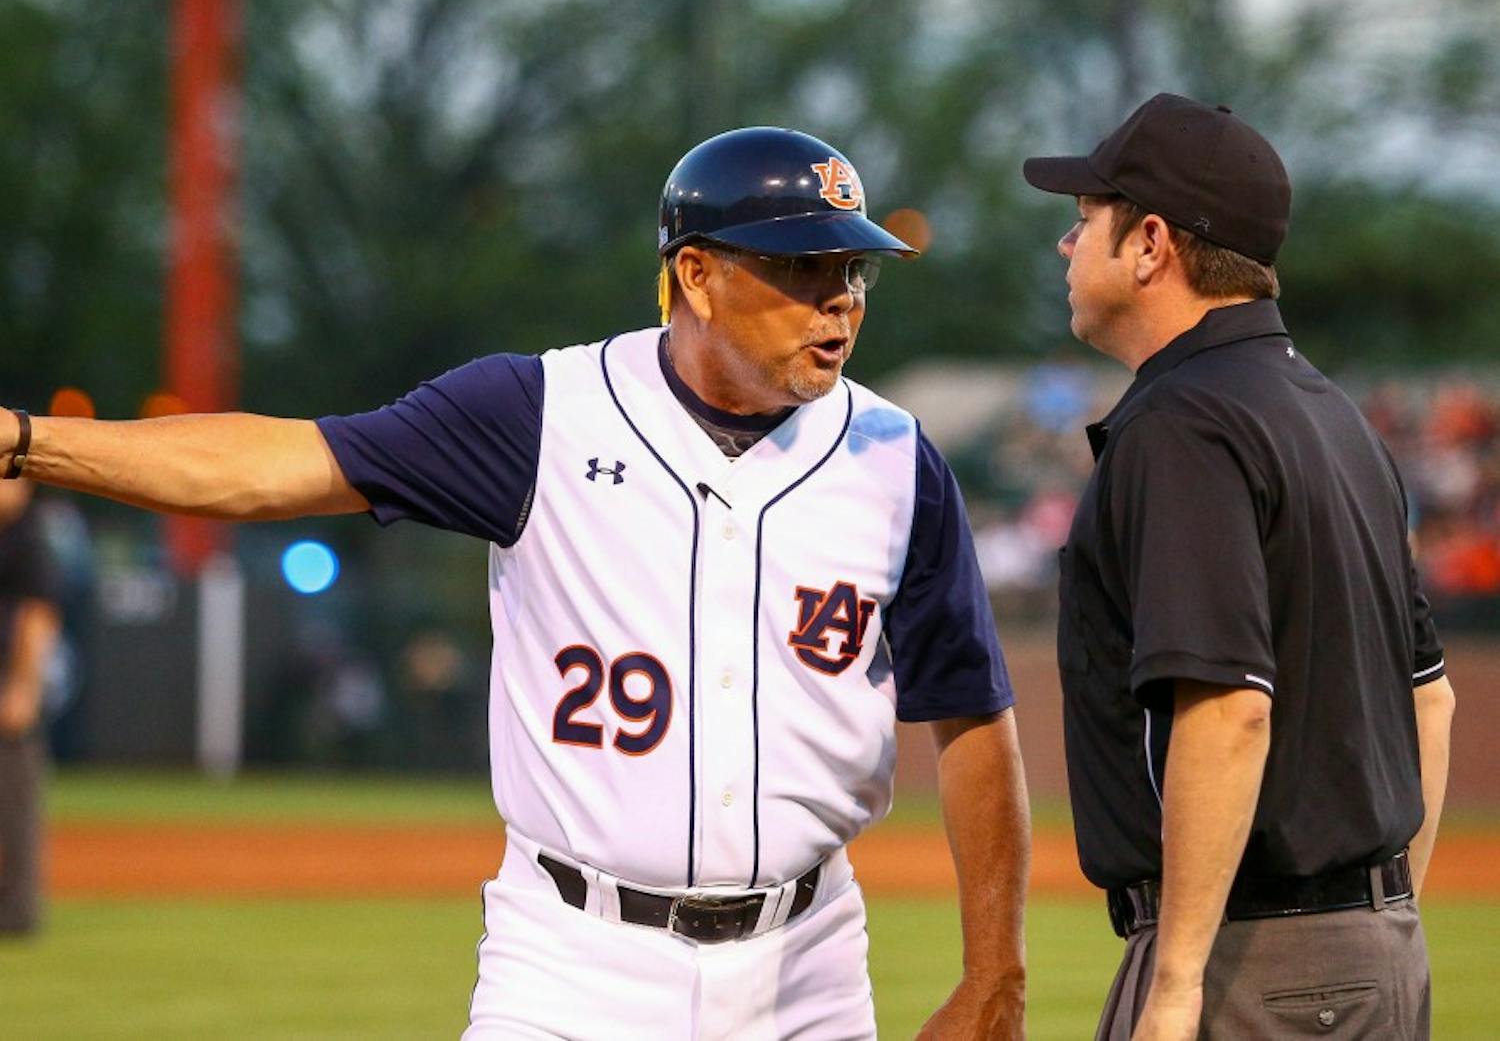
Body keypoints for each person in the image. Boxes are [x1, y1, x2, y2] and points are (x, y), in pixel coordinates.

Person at [1, 126, 1029, 1038]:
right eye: (802, 268)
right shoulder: (540, 414)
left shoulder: (895, 460)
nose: (839, 299)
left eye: (852, 271)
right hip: (574, 962)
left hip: (808, 964)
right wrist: (28, 443)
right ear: (699, 274)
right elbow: (275, 466)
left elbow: (973, 721)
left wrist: (995, 973)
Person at [1022, 94, 1456, 1040]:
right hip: (1377, 951)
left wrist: (1176, 987)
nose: (1066, 244)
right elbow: (1430, 697)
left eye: (1084, 218)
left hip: (1253, 961)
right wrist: (1379, 917)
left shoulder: (1183, 424)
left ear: (1148, 244)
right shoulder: (1336, 416)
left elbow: (1228, 706)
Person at [0, 479, 63, 936]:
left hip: (6, 677)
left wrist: (23, 686)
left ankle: (17, 909)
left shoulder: (26, 534)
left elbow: (37, 614)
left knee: (16, 795)